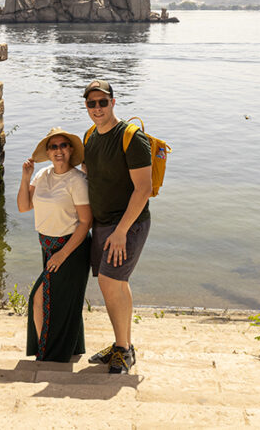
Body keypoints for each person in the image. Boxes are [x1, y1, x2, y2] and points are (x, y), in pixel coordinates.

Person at [81, 79, 152, 374]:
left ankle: (124, 349)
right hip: (101, 224)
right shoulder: (89, 136)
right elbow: (88, 175)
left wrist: (121, 231)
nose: (97, 108)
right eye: (91, 103)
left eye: (102, 102)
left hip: (128, 223)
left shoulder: (131, 137)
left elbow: (143, 189)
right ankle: (122, 344)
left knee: (111, 281)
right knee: (114, 283)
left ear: (113, 102)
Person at [18, 127, 93, 362]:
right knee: (61, 299)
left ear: (70, 150)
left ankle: (47, 354)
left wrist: (62, 255)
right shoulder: (42, 175)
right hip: (47, 246)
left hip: (72, 248)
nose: (58, 150)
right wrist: (25, 178)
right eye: (53, 147)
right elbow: (23, 207)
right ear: (48, 152)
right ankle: (71, 347)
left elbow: (85, 222)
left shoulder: (77, 181)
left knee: (39, 298)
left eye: (63, 145)